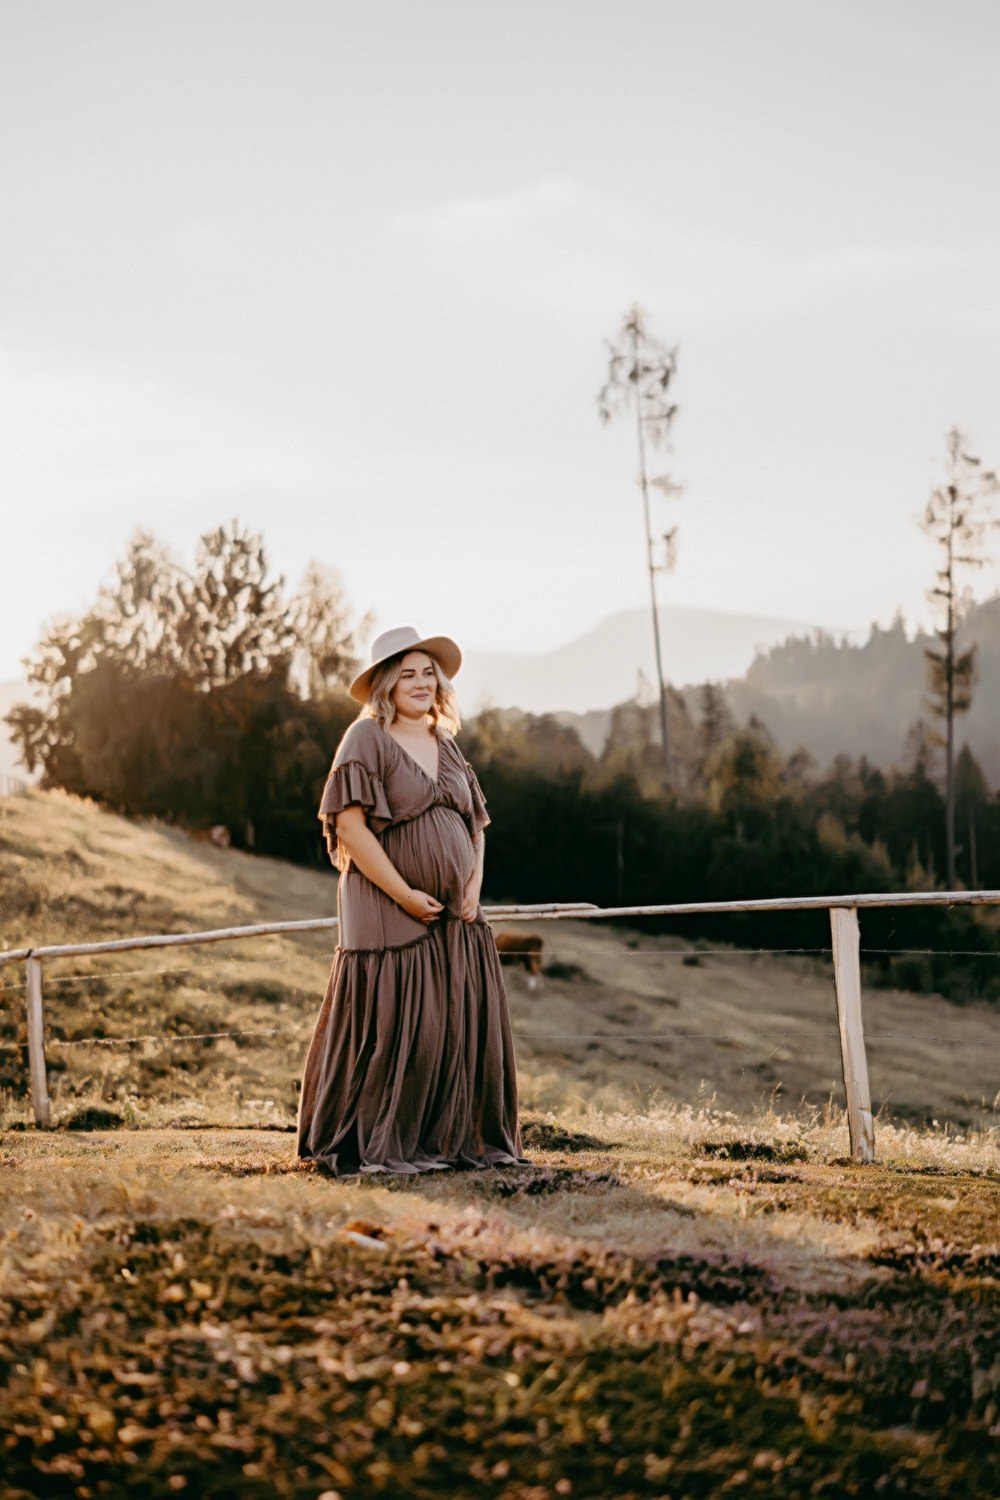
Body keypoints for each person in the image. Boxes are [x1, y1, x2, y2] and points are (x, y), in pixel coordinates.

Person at [296, 625, 526, 1175]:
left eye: (429, 673)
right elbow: (349, 828)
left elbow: (476, 828)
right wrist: (402, 893)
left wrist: (472, 889)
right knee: (400, 1035)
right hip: (388, 911)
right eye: (408, 674)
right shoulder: (366, 738)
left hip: (456, 918)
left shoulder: (446, 743)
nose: (421, 683)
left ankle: (445, 1140)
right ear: (385, 685)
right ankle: (380, 1140)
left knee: (450, 1033)